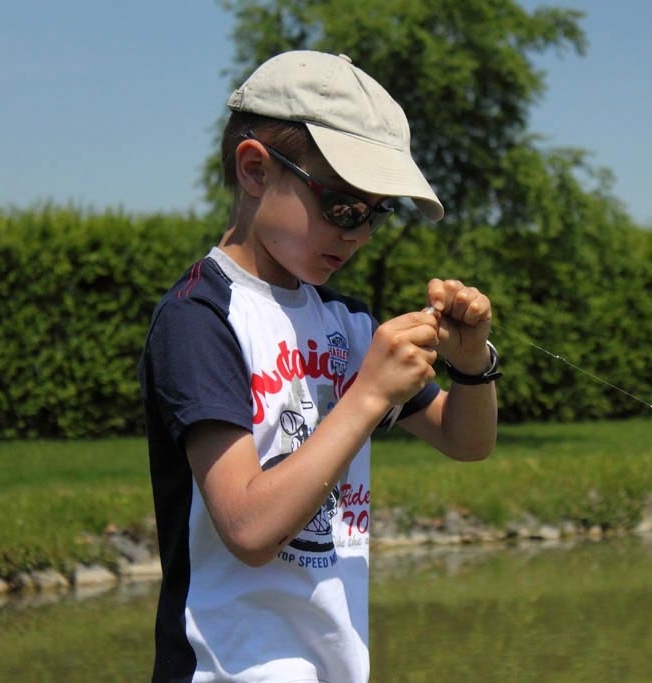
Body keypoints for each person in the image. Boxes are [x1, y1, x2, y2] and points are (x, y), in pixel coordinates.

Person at [139, 50, 500, 682]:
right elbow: (248, 528)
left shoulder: (346, 321)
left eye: (377, 213)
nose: (359, 233)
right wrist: (366, 396)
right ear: (255, 169)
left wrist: (471, 368)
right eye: (343, 207)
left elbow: (465, 440)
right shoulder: (199, 318)